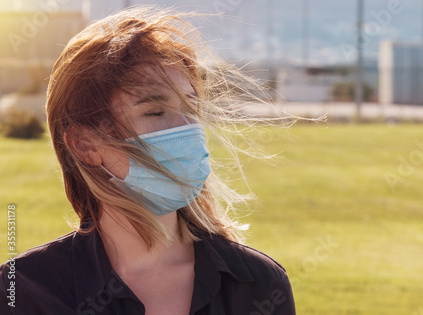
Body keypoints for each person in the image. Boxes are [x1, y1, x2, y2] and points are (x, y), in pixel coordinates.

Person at [0, 7, 295, 315]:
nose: (186, 129)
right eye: (155, 112)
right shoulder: (23, 293)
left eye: (192, 110)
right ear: (85, 144)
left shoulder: (259, 285)